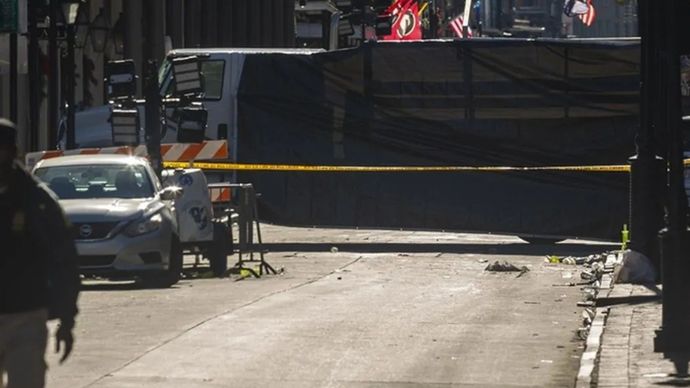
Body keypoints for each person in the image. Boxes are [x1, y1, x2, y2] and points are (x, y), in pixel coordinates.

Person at [0, 118, 80, 388]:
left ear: (13, 151)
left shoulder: (37, 200)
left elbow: (64, 259)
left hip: (26, 315)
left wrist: (67, 319)